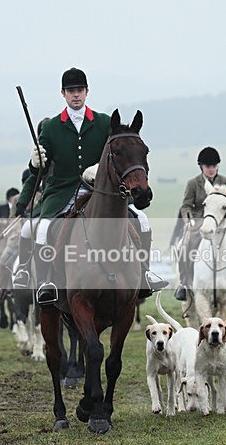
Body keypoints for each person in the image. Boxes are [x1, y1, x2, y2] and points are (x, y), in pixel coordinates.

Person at [13, 67, 167, 304]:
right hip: (61, 193)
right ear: (63, 93)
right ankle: (44, 281)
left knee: (142, 221)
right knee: (41, 228)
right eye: (71, 91)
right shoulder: (52, 127)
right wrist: (34, 165)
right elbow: (40, 169)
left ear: (87, 92)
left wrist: (97, 169)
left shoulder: (104, 123)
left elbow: (117, 154)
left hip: (98, 189)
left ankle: (144, 272)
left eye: (80, 90)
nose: (76, 95)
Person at [173, 146, 226, 301]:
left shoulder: (225, 182)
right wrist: (188, 220)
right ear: (201, 167)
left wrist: (225, 217)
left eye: (214, 166)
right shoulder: (193, 184)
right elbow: (185, 206)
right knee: (183, 246)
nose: (211, 169)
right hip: (199, 222)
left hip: (222, 223)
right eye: (207, 166)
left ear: (217, 166)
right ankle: (184, 284)